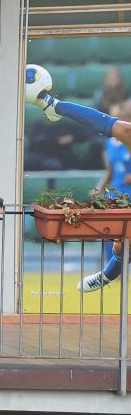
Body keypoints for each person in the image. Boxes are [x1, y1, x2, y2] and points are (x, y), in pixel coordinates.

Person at [27, 63, 131, 292]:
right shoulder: (116, 141)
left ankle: (110, 273)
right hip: (122, 195)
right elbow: (121, 133)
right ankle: (111, 272)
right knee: (119, 245)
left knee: (121, 247)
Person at [79, 98, 131, 291]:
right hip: (116, 195)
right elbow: (110, 170)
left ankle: (118, 270)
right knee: (110, 233)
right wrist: (99, 187)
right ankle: (114, 271)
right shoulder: (109, 144)